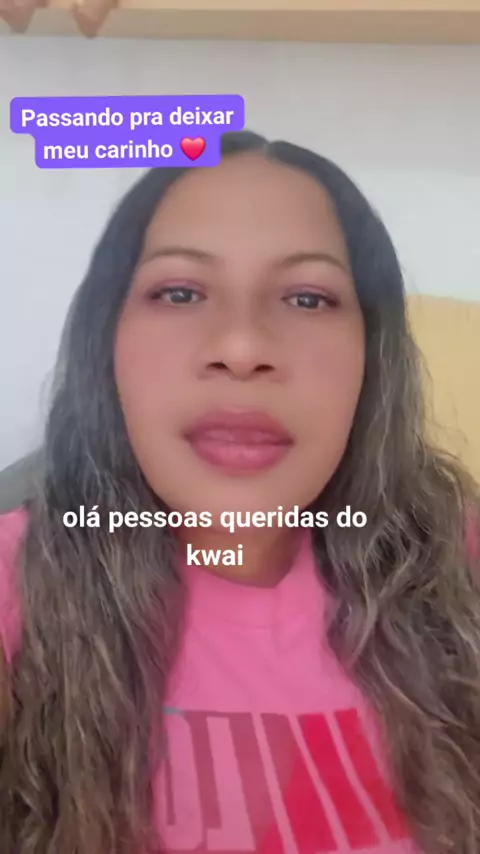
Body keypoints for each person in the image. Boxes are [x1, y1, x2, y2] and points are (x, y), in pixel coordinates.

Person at [0, 130, 479, 854]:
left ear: (371, 358)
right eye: (180, 292)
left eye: (309, 298)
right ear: (108, 344)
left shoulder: (455, 562)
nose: (243, 348)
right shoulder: (19, 582)